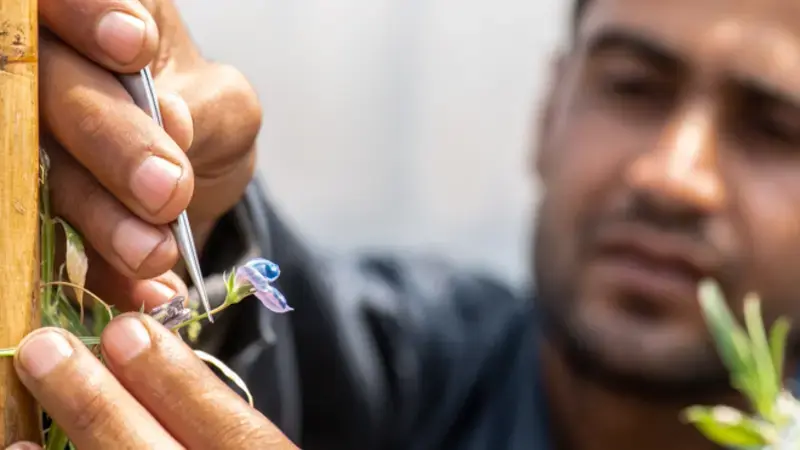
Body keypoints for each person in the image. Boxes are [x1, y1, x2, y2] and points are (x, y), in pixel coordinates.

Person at [8, 0, 800, 448]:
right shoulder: (415, 368)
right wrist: (187, 214)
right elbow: (298, 330)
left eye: (775, 129)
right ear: (549, 109)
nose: (672, 175)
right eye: (634, 86)